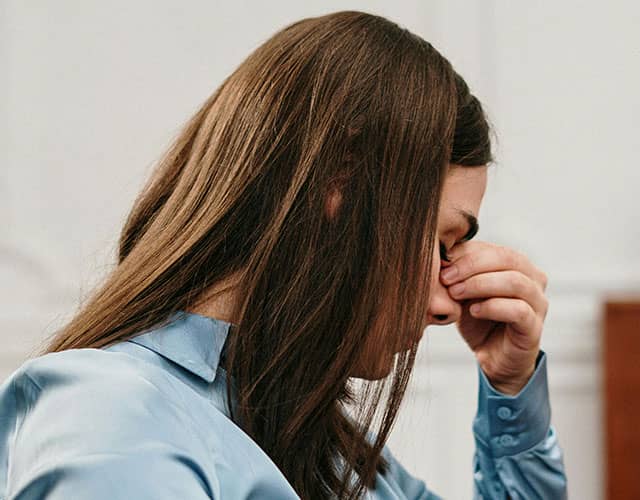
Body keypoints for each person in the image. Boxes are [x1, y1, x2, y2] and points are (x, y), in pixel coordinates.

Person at [0, 10, 567, 500]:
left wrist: (510, 389)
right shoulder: (114, 419)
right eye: (440, 241)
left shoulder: (335, 452)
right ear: (339, 184)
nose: (447, 307)